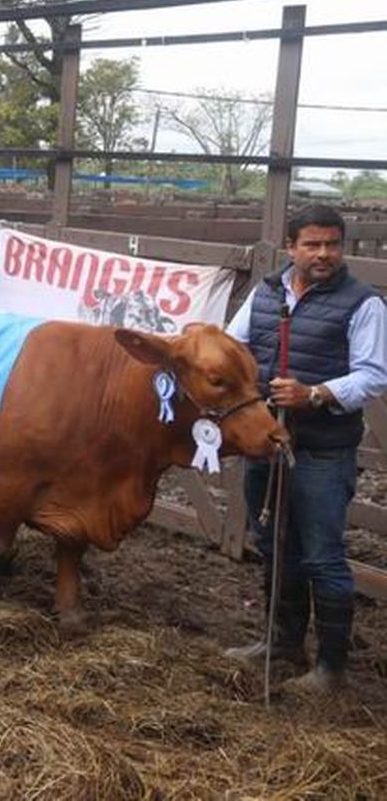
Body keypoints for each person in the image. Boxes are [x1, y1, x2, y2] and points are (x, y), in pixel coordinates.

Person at [223, 204, 387, 692]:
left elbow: (373, 375)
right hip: (267, 444)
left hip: (322, 449)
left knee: (322, 555)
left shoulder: (363, 304)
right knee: (274, 543)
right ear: (291, 247)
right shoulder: (266, 292)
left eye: (332, 244)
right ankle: (282, 642)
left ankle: (331, 668)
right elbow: (235, 348)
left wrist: (315, 394)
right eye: (312, 244)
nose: (324, 254)